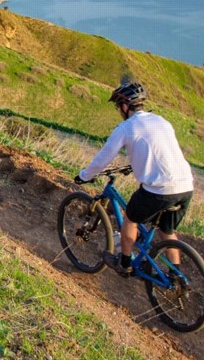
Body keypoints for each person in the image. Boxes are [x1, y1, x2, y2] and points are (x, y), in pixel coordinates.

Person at [74, 81, 194, 275]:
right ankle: (176, 274)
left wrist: (85, 175)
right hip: (185, 186)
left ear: (124, 106)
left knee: (130, 219)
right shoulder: (162, 121)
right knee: (167, 230)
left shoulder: (126, 127)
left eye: (118, 107)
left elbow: (103, 158)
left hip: (160, 190)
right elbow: (160, 151)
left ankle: (124, 263)